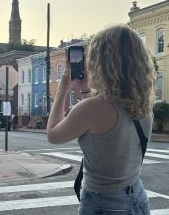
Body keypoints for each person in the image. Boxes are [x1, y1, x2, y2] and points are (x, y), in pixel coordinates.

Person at [47, 24, 156, 214]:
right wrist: (85, 91)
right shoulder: (144, 106)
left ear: (101, 63)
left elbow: (53, 134)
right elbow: (100, 128)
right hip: (137, 198)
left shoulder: (93, 108)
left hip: (103, 203)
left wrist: (62, 90)